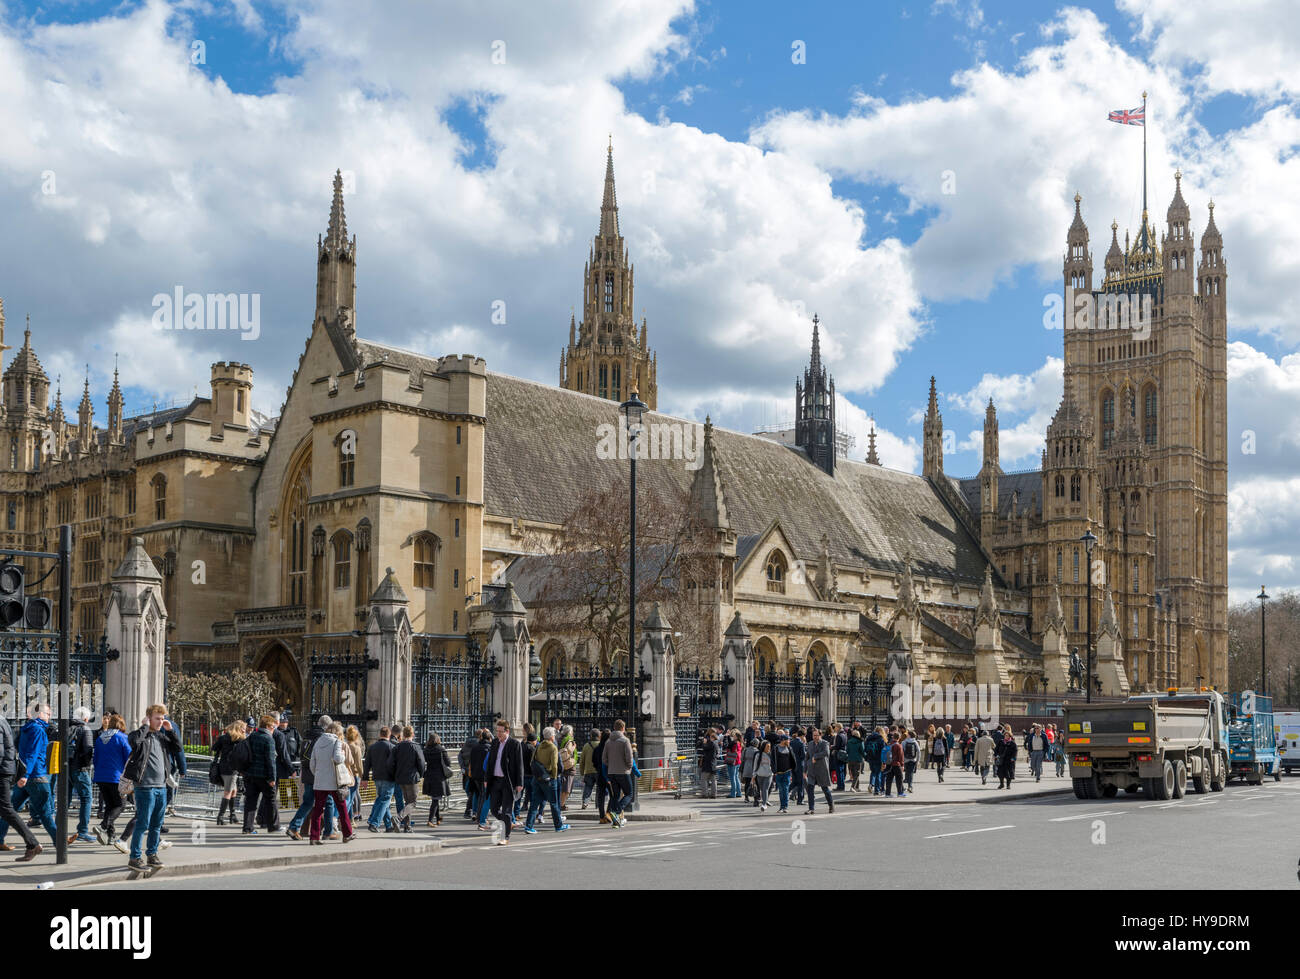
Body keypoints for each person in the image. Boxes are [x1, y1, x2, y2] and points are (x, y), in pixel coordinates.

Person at [123, 704, 181, 874]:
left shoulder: (161, 737)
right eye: (158, 718)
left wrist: (170, 731)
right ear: (149, 718)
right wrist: (145, 727)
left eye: (163, 718)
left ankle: (152, 854)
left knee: (156, 824)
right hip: (145, 787)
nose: (161, 721)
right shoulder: (138, 734)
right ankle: (134, 857)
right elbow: (134, 742)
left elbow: (177, 748)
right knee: (143, 823)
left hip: (161, 787)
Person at [0, 703, 57, 857]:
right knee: (45, 812)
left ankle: (0, 839)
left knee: (8, 810)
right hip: (36, 775)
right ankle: (59, 841)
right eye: (47, 713)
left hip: (26, 776)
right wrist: (26, 774)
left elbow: (19, 749)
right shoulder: (38, 730)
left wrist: (22, 774)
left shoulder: (26, 728)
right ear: (39, 714)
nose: (49, 716)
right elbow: (33, 754)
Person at [287, 715, 336, 840]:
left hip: (308, 775)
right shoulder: (322, 738)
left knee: (308, 802)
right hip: (320, 775)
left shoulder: (307, 735)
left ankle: (294, 826)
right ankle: (328, 831)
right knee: (329, 801)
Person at [307, 721, 356, 843]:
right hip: (334, 781)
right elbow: (338, 758)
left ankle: (314, 837)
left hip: (319, 781)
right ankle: (347, 834)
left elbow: (312, 763)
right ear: (338, 732)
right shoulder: (337, 742)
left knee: (317, 809)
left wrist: (318, 775)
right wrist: (343, 755)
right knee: (342, 807)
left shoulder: (318, 742)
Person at [91, 713, 132, 847]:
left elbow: (95, 759)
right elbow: (129, 758)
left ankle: (111, 835)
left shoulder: (100, 738)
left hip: (101, 776)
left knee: (110, 806)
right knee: (120, 805)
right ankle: (103, 826)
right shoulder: (122, 738)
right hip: (116, 777)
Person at [525, 726, 570, 833]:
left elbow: (533, 761)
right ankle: (558, 826)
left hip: (537, 778)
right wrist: (554, 778)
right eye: (554, 735)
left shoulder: (539, 747)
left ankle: (529, 826)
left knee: (534, 803)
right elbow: (554, 765)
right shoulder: (553, 748)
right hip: (549, 778)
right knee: (554, 803)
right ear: (551, 737)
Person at [484, 720, 523, 845]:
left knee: (506, 810)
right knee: (494, 809)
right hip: (495, 781)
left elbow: (519, 765)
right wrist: (486, 779)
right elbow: (490, 762)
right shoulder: (495, 742)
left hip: (508, 782)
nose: (498, 734)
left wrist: (519, 783)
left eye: (501, 732)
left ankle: (505, 837)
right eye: (497, 731)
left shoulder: (514, 744)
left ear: (507, 731)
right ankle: (508, 822)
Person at [241, 715, 279, 835]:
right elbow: (270, 760)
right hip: (264, 776)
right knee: (271, 800)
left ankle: (247, 827)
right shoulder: (268, 739)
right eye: (273, 726)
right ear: (267, 726)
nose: (273, 729)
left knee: (250, 801)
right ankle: (272, 826)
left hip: (251, 774)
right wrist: (272, 778)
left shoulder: (253, 736)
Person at [64, 706, 96, 844]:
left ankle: (59, 828)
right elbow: (88, 750)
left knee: (66, 799)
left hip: (67, 767)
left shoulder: (67, 727)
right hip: (80, 768)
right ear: (86, 718)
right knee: (86, 798)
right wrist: (87, 765)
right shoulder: (85, 729)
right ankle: (83, 830)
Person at [211, 720, 246, 826]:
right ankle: (220, 817)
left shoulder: (224, 737)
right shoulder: (240, 739)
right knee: (228, 792)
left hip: (223, 767)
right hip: (232, 769)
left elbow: (214, 748)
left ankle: (232, 815)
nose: (244, 730)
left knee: (234, 790)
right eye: (243, 728)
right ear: (239, 728)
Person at [363, 726, 397, 833]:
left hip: (377, 777)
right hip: (388, 777)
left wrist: (365, 778)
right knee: (384, 800)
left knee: (382, 800)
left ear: (380, 734)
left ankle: (389, 825)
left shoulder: (372, 747)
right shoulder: (392, 747)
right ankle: (374, 822)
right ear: (389, 734)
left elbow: (367, 763)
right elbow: (394, 764)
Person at [391, 726, 425, 832]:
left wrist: (395, 773)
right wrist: (421, 773)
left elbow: (391, 762)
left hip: (401, 778)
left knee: (407, 802)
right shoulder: (415, 746)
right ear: (412, 734)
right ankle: (398, 818)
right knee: (413, 802)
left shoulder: (397, 747)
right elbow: (421, 762)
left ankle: (407, 826)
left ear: (403, 734)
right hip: (412, 777)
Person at [604, 720, 635, 827]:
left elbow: (604, 759)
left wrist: (611, 765)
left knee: (615, 795)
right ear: (623, 728)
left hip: (611, 772)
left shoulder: (608, 741)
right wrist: (629, 766)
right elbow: (629, 757)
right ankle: (616, 812)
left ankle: (616, 821)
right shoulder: (625, 740)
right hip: (623, 772)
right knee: (629, 793)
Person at [422, 732, 452, 826]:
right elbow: (448, 763)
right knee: (435, 799)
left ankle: (438, 817)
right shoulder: (441, 750)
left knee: (435, 798)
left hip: (429, 776)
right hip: (439, 777)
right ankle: (430, 820)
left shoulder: (425, 750)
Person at [803, 727, 834, 814]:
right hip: (812, 770)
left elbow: (826, 753)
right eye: (814, 735)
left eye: (817, 735)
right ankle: (811, 808)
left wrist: (815, 756)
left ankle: (831, 805)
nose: (815, 737)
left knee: (825, 789)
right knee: (810, 789)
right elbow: (807, 757)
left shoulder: (825, 743)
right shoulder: (810, 744)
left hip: (822, 770)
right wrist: (804, 771)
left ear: (820, 735)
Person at [470, 728, 494, 829]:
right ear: (489, 738)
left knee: (481, 795)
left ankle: (479, 815)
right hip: (484, 776)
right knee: (484, 796)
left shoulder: (475, 747)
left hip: (475, 775)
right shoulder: (489, 747)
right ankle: (481, 817)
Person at [343, 725, 364, 819]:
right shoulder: (356, 748)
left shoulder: (343, 746)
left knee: (347, 798)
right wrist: (363, 776)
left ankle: (350, 818)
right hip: (354, 776)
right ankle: (345, 818)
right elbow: (359, 765)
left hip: (344, 774)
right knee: (350, 799)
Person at [772, 733, 796, 813]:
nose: (789, 741)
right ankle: (781, 807)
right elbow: (772, 760)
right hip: (778, 773)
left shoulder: (789, 748)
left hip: (787, 772)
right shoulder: (775, 748)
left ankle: (785, 806)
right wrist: (774, 771)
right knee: (781, 790)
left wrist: (793, 769)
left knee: (785, 789)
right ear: (783, 740)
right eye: (787, 740)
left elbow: (793, 758)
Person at [579, 728, 601, 809]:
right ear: (599, 736)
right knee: (599, 788)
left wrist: (582, 772)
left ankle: (585, 802)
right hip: (599, 771)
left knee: (588, 787)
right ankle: (598, 804)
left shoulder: (586, 746)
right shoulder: (601, 745)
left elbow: (582, 761)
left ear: (591, 736)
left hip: (588, 771)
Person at [557, 725, 577, 811]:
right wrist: (573, 748)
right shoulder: (569, 740)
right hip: (569, 766)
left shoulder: (559, 739)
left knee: (564, 787)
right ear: (569, 732)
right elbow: (569, 751)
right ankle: (561, 804)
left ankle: (561, 804)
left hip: (561, 765)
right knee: (567, 788)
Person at [882, 730, 907, 797]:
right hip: (896, 764)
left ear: (893, 738)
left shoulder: (889, 745)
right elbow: (901, 756)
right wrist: (902, 765)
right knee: (899, 778)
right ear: (899, 738)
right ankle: (900, 793)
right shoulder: (898, 745)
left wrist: (884, 763)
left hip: (889, 764)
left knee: (889, 779)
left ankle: (887, 793)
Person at [752, 739, 773, 812]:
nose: (769, 748)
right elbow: (755, 766)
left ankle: (764, 804)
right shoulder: (758, 755)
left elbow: (774, 764)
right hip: (759, 775)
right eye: (767, 746)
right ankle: (765, 800)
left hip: (769, 775)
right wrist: (753, 776)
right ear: (763, 747)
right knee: (762, 789)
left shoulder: (771, 755)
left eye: (770, 746)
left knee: (765, 789)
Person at [698, 727, 718, 799]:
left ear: (712, 737)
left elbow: (705, 748)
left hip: (708, 764)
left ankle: (705, 794)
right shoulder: (716, 744)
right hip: (713, 764)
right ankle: (714, 794)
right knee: (713, 780)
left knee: (703, 779)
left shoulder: (711, 743)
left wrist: (704, 743)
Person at [788, 727, 806, 808]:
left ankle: (786, 791)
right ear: (802, 736)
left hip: (792, 765)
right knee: (800, 783)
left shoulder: (791, 742)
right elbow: (803, 756)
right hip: (799, 765)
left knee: (795, 781)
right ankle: (800, 800)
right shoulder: (801, 743)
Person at [845, 726, 865, 792]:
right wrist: (866, 757)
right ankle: (853, 787)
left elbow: (847, 751)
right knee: (857, 774)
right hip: (858, 760)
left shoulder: (849, 741)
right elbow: (862, 751)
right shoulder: (860, 742)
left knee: (854, 775)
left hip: (850, 760)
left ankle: (857, 787)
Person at [740, 735, 759, 803]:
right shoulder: (757, 751)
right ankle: (755, 798)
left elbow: (742, 759)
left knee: (747, 783)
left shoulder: (745, 750)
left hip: (746, 768)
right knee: (755, 783)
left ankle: (746, 797)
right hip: (754, 769)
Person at [724, 729, 743, 799]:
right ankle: (739, 792)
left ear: (736, 736)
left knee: (732, 778)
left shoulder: (734, 743)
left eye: (733, 736)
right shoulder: (739, 742)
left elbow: (726, 746)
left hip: (732, 761)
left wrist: (726, 737)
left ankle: (733, 793)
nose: (732, 737)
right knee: (736, 777)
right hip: (737, 761)